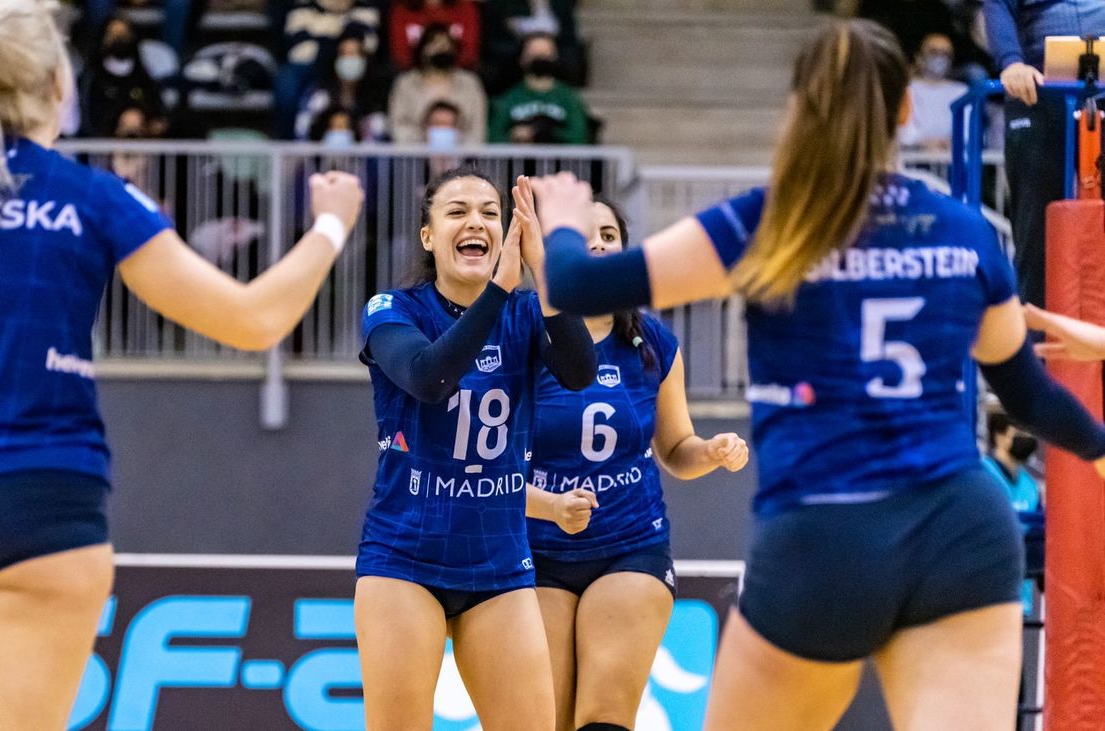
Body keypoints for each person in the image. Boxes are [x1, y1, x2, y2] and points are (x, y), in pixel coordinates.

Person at [532, 20, 1105, 730]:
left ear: (798, 105)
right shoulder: (965, 230)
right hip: (959, 527)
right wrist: (1101, 450)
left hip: (821, 533)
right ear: (904, 110)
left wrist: (560, 220)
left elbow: (577, 283)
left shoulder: (772, 221)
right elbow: (1026, 395)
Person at [0, 2, 364, 728]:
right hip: (39, 495)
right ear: (56, 87)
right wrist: (330, 223)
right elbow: (255, 318)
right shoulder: (88, 194)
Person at [355, 167, 595, 729]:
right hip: (404, 561)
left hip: (498, 565)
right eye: (457, 211)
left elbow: (581, 371)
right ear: (428, 236)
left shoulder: (527, 311)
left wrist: (544, 269)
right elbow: (428, 378)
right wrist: (498, 291)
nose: (477, 222)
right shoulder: (392, 309)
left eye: (491, 212)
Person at [525, 192, 748, 731]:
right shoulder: (521, 330)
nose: (598, 244)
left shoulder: (652, 341)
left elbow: (675, 449)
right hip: (532, 548)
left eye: (610, 236)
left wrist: (710, 453)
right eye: (585, 234)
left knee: (604, 715)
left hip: (629, 544)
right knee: (543, 718)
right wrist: (550, 505)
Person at [985, 0, 1105, 308]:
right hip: (1037, 88)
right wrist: (1011, 63)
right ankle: (1035, 345)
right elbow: (998, 5)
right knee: (1037, 230)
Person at [388, 23, 486, 144]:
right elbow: (399, 125)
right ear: (422, 50)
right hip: (414, 155)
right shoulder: (405, 84)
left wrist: (458, 150)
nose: (442, 48)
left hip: (462, 156)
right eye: (435, 44)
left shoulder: (470, 83)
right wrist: (423, 147)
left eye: (447, 44)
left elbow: (477, 129)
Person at [489, 33, 590, 145]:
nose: (541, 57)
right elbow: (494, 138)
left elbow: (579, 137)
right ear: (522, 59)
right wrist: (514, 136)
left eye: (546, 53)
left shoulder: (570, 99)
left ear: (556, 57)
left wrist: (550, 135)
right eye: (534, 53)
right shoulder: (508, 99)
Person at [294, 29, 389, 142]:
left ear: (364, 59)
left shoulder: (374, 100)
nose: (349, 59)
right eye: (344, 54)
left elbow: (378, 146)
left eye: (354, 54)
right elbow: (301, 133)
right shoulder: (320, 96)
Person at [79, 17, 167, 138]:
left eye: (124, 34)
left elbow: (159, 115)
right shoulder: (92, 77)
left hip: (143, 148)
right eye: (113, 34)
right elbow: (87, 122)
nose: (119, 38)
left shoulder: (143, 76)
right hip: (102, 148)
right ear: (103, 39)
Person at [899, 32, 969, 151]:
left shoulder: (962, 91)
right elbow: (904, 130)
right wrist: (924, 143)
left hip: (951, 158)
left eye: (945, 54)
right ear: (919, 56)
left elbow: (967, 130)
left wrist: (951, 142)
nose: (940, 58)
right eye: (933, 52)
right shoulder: (907, 89)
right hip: (914, 156)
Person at [390, 0, 480, 72]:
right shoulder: (402, 10)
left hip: (458, 73)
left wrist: (445, 71)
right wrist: (426, 73)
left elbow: (469, 53)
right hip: (414, 74)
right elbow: (400, 55)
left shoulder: (465, 8)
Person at [982, 410, 1042, 516]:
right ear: (999, 437)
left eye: (1030, 433)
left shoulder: (1030, 485)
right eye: (1020, 433)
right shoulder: (983, 475)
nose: (1027, 438)